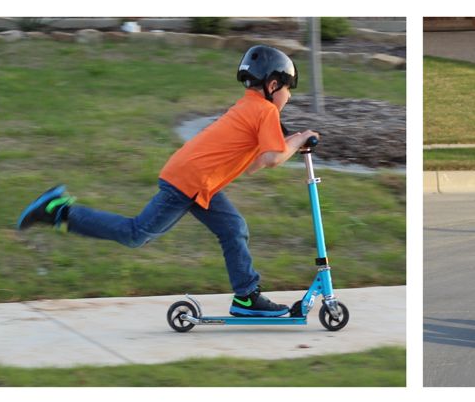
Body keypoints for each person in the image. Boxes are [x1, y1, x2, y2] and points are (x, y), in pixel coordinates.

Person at [16, 45, 318, 317]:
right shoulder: (264, 110)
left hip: (201, 183)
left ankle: (246, 298)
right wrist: (301, 139)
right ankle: (57, 211)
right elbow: (270, 160)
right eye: (289, 90)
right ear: (273, 85)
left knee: (233, 228)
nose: (288, 97)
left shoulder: (252, 107)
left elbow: (254, 164)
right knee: (136, 234)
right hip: (189, 181)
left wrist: (290, 141)